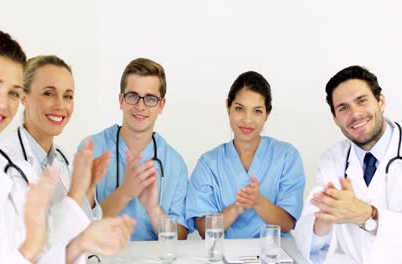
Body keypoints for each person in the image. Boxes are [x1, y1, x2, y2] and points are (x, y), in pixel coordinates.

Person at [0, 29, 134, 264]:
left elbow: (44, 257)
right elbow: (32, 252)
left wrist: (83, 240)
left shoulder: (17, 174)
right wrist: (30, 248)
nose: (2, 103)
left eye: (12, 92)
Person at [0, 55, 111, 249]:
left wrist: (89, 192)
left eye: (68, 96)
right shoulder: (3, 163)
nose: (60, 105)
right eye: (49, 93)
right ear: (23, 96)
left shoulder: (62, 159)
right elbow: (30, 247)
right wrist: (76, 192)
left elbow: (81, 235)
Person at [294, 66, 402, 264]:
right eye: (343, 108)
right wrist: (324, 218)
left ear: (381, 101)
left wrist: (367, 215)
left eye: (361, 101)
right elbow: (307, 243)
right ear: (335, 119)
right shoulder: (332, 160)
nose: (355, 114)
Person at [80, 58, 190, 240]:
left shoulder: (174, 163)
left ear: (161, 105)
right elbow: (79, 227)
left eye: (150, 98)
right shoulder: (91, 149)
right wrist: (125, 192)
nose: (140, 106)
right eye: (132, 96)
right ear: (121, 100)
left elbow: (179, 237)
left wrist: (153, 208)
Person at [186, 71, 305, 239]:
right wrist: (237, 207)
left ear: (267, 114)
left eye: (257, 111)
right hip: (225, 255)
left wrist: (258, 202)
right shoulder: (209, 163)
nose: (247, 120)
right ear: (228, 106)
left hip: (274, 254)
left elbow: (286, 224)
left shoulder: (286, 156)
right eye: (239, 109)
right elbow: (205, 231)